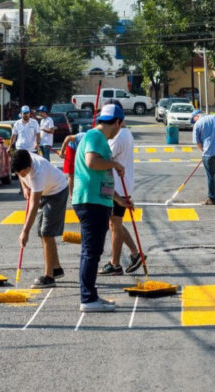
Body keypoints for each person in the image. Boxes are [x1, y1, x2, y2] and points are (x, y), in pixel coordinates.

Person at [73, 102, 129, 313]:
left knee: (92, 251)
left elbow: (99, 176)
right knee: (91, 251)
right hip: (90, 201)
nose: (119, 130)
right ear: (116, 122)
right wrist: (115, 164)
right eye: (120, 125)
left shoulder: (98, 139)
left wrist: (118, 199)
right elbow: (92, 163)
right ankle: (87, 299)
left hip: (97, 199)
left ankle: (91, 294)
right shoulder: (95, 137)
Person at [14, 149, 68, 288]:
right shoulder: (23, 159)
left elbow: (33, 204)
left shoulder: (38, 172)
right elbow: (20, 174)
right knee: (42, 232)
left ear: (28, 167)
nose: (21, 175)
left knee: (47, 233)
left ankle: (49, 276)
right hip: (45, 191)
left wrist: (24, 231)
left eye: (23, 173)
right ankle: (56, 268)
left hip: (57, 191)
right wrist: (25, 187)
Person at [103, 104, 142, 274]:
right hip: (119, 184)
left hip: (118, 186)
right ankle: (134, 253)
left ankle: (115, 263)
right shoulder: (123, 133)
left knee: (115, 225)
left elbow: (104, 157)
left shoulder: (119, 137)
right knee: (114, 224)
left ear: (118, 121)